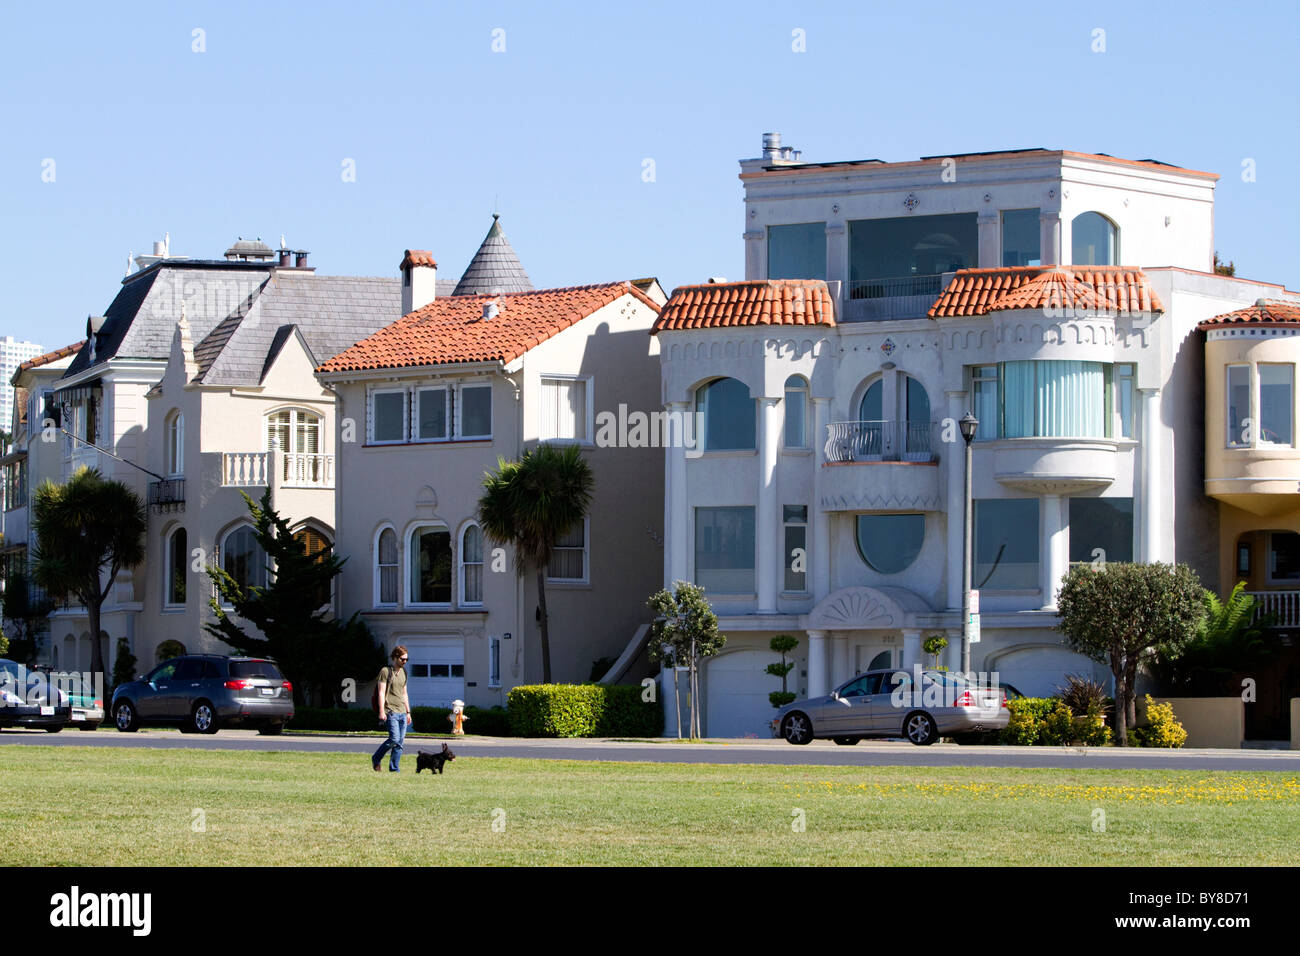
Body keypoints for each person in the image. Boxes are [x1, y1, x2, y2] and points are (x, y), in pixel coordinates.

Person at [372, 646, 413, 772]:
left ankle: (394, 769)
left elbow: (404, 694)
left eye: (407, 659)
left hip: (402, 711)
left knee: (399, 743)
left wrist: (408, 712)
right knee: (394, 739)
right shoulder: (385, 671)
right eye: (402, 659)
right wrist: (381, 711)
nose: (405, 662)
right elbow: (381, 692)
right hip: (391, 711)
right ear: (395, 657)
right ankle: (376, 758)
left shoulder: (404, 673)